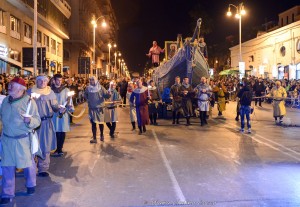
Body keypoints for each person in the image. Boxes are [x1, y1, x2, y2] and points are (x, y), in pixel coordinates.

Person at [0, 77, 41, 204]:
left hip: (22, 140)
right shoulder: (6, 100)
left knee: (28, 165)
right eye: (10, 84)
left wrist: (30, 121)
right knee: (7, 166)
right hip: (7, 139)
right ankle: (7, 193)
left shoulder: (29, 102)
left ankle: (30, 184)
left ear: (20, 89)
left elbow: (37, 121)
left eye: (12, 85)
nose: (9, 86)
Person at [27, 74, 64, 177]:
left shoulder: (50, 92)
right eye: (40, 81)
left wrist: (60, 109)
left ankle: (43, 168)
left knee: (45, 146)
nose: (42, 83)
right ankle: (31, 167)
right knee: (32, 146)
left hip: (46, 123)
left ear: (47, 82)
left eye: (44, 81)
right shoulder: (29, 92)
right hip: (32, 124)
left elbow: (55, 107)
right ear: (36, 81)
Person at [51, 74, 75, 156]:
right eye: (58, 80)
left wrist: (70, 107)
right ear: (54, 80)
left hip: (63, 113)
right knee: (57, 131)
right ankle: (58, 148)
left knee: (62, 131)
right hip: (54, 114)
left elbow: (69, 101)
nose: (59, 82)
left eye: (61, 80)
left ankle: (59, 149)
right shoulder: (50, 90)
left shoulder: (66, 90)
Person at [85, 76, 111, 143]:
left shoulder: (101, 88)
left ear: (95, 80)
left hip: (100, 109)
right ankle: (94, 138)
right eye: (90, 80)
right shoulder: (88, 88)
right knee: (93, 124)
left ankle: (101, 135)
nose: (91, 81)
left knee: (100, 123)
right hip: (92, 109)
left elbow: (106, 95)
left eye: (92, 80)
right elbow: (85, 96)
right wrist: (88, 101)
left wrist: (109, 94)